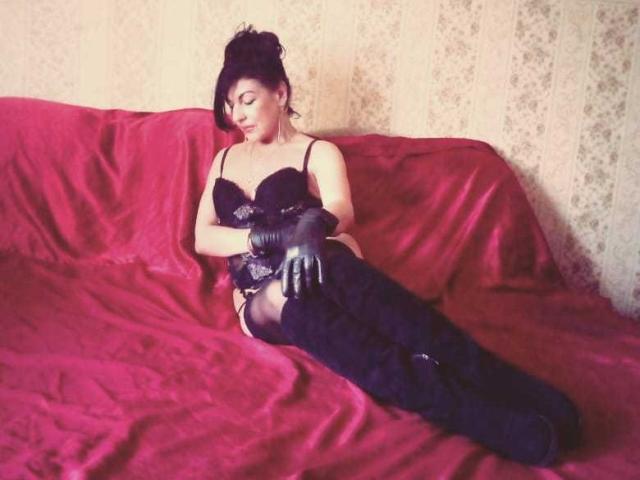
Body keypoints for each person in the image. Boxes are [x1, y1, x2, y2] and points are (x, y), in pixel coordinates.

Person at [194, 25, 580, 466]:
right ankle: (484, 418)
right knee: (298, 302)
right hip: (264, 300)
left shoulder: (317, 152)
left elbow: (342, 208)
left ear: (280, 93)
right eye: (230, 105)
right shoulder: (224, 159)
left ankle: (502, 382)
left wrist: (313, 224)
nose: (238, 115)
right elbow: (203, 236)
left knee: (346, 285)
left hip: (323, 273)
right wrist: (264, 238)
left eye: (247, 99)